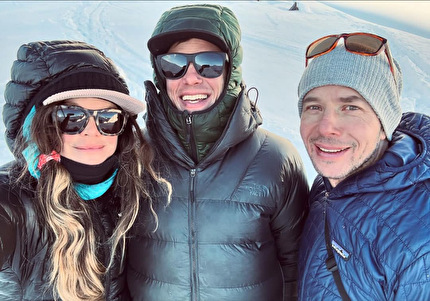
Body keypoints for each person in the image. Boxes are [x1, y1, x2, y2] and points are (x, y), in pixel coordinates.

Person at [126, 4, 309, 301]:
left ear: (231, 69)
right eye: (174, 64)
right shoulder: (134, 155)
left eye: (209, 63)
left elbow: (296, 268)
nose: (191, 77)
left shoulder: (275, 159)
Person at [0, 40, 170, 300]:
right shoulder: (12, 202)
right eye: (70, 117)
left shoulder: (129, 191)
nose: (93, 130)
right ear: (37, 126)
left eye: (108, 119)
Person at [296, 32, 430, 300]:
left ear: (385, 125)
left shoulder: (420, 243)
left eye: (350, 108)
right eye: (314, 107)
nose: (326, 128)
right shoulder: (327, 183)